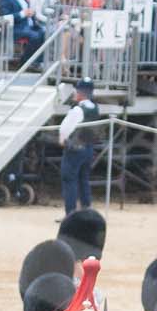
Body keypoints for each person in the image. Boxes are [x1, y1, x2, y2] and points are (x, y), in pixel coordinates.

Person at [57, 78, 99, 216]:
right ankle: (86, 209)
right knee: (84, 180)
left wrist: (62, 141)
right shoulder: (95, 108)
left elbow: (64, 129)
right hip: (89, 148)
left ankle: (71, 213)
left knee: (70, 180)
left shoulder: (77, 110)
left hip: (75, 149)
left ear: (80, 92)